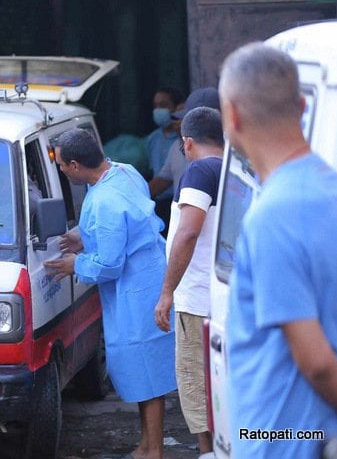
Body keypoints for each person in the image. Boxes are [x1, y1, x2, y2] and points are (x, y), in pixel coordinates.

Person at [219, 43, 337, 457]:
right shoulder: (335, 193)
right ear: (303, 106)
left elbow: (318, 363)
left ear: (232, 116)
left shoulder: (272, 214)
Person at [44, 128, 176, 459]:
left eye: (61, 165)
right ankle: (147, 445)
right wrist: (83, 237)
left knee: (145, 369)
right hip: (147, 274)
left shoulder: (103, 200)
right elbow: (123, 228)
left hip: (135, 287)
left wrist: (76, 264)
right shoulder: (123, 171)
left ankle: (154, 449)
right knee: (145, 368)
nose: (60, 170)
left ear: (75, 165)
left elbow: (109, 264)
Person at [153, 106, 224, 457]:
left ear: (188, 142)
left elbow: (188, 233)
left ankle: (208, 451)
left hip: (197, 298)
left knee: (197, 379)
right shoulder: (238, 168)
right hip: (228, 295)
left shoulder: (199, 171)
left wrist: (167, 292)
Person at [148, 87, 220, 203]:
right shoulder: (177, 145)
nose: (183, 123)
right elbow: (162, 180)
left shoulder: (232, 153)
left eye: (191, 119)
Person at [145, 88, 184, 227]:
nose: (158, 110)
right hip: (157, 202)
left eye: (163, 105)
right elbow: (158, 177)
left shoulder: (184, 142)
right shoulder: (152, 139)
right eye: (155, 106)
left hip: (178, 203)